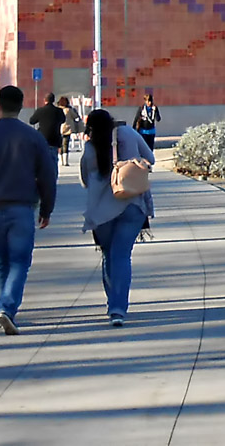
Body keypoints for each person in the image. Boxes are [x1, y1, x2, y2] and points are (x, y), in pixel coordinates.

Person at [0, 85, 58, 335]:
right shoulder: (33, 138)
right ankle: (7, 307)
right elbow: (47, 176)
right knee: (20, 261)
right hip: (22, 206)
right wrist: (47, 208)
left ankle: (2, 307)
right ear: (21, 105)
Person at [80, 107, 155, 327]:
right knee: (122, 255)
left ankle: (112, 302)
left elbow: (85, 180)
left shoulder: (90, 147)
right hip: (132, 204)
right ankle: (118, 308)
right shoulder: (130, 134)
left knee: (108, 254)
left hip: (102, 211)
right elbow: (150, 159)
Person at [30, 91, 68, 164]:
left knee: (42, 161)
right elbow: (63, 120)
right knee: (54, 161)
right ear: (53, 100)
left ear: (45, 100)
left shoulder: (40, 110)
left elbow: (32, 121)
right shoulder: (59, 111)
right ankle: (54, 174)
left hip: (42, 139)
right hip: (55, 139)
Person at [61, 96, 83, 166]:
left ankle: (61, 160)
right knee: (65, 144)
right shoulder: (69, 110)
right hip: (67, 128)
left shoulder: (57, 109)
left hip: (59, 128)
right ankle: (65, 161)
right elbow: (75, 117)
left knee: (60, 144)